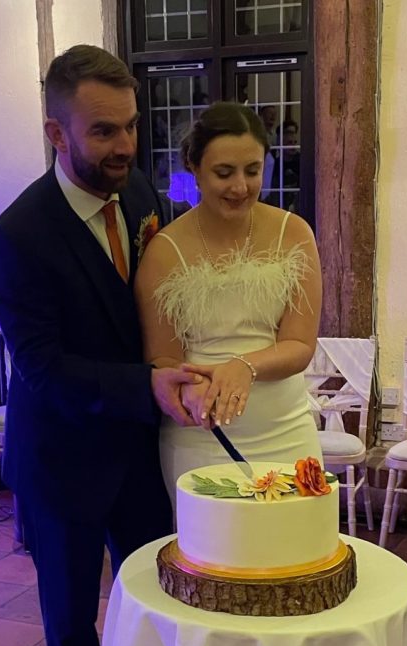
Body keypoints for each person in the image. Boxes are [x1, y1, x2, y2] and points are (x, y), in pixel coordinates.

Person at [0, 45, 199, 646]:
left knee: (150, 593)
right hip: (61, 456)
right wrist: (146, 385)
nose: (125, 146)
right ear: (56, 133)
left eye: (131, 127)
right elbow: (43, 369)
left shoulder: (138, 195)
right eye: (104, 131)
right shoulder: (17, 236)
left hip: (137, 447)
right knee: (72, 613)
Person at [134, 101, 322, 499]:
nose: (240, 187)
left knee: (292, 553)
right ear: (195, 168)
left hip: (285, 429)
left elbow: (300, 345)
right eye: (224, 172)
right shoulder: (164, 250)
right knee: (211, 556)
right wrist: (189, 390)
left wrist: (244, 366)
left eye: (252, 171)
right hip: (202, 438)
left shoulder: (295, 233)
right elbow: (163, 358)